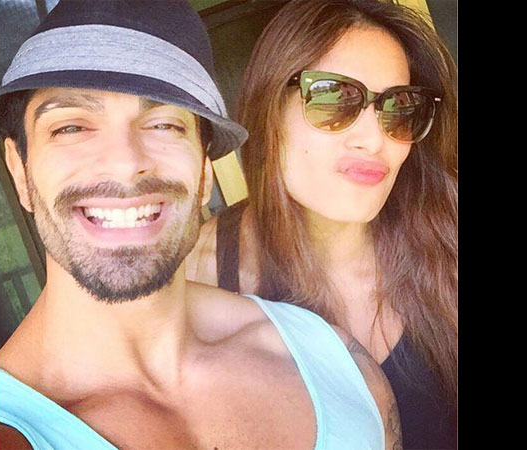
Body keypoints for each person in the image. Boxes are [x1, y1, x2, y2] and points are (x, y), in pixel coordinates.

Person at [0, 1, 403, 449]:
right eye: (71, 127)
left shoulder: (328, 354)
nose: (126, 163)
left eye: (165, 125)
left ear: (205, 171)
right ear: (20, 171)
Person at [186, 0, 457, 448]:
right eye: (334, 97)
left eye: (399, 107)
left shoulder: (446, 233)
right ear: (269, 107)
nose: (374, 139)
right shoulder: (197, 276)